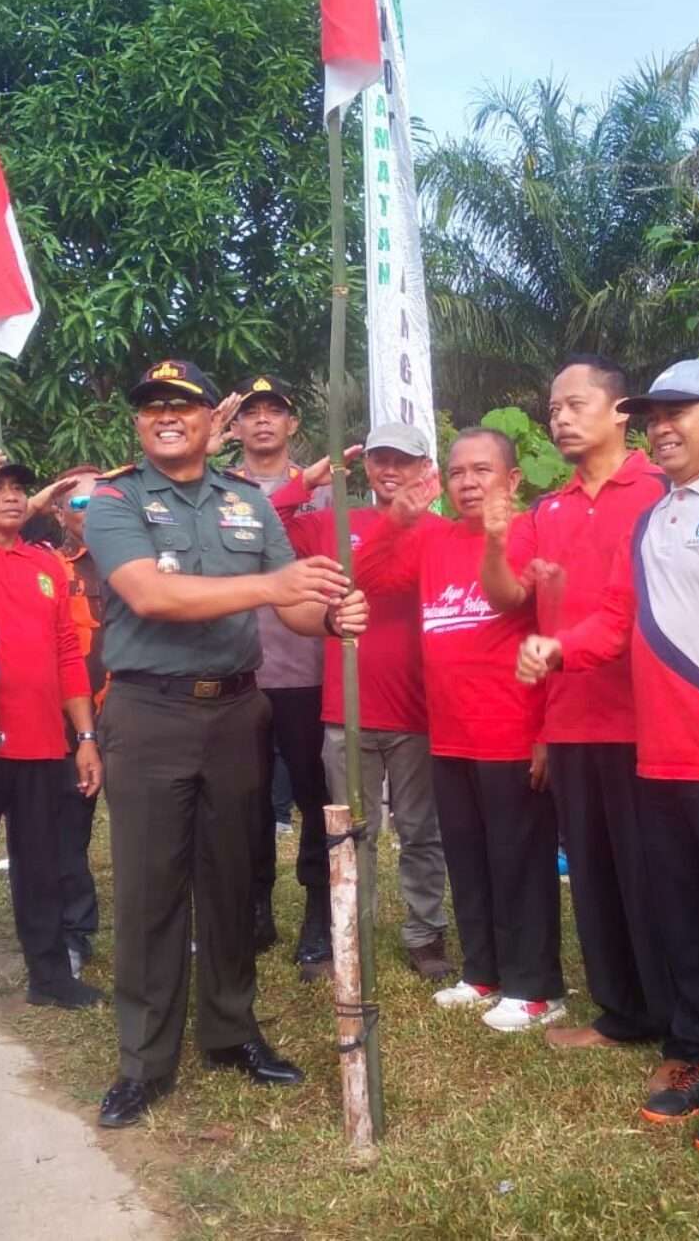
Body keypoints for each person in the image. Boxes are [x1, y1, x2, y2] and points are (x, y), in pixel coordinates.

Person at [520, 359, 699, 1151]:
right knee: (683, 919)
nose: (662, 427)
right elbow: (617, 620)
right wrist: (559, 649)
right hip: (660, 757)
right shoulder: (659, 514)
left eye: (681, 411)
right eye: (653, 414)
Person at [84, 359, 368, 1129]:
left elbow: (295, 605)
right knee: (150, 887)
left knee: (233, 877)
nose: (166, 416)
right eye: (151, 407)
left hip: (238, 714)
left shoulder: (247, 501)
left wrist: (332, 613)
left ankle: (231, 1031)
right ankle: (144, 1060)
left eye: (182, 405)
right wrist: (277, 591)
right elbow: (150, 593)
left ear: (215, 419)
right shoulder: (113, 500)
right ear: (138, 424)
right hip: (150, 713)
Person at [479, 355, 675, 1052]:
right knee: (591, 873)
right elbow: (508, 596)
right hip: (571, 714)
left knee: (653, 873)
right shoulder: (549, 508)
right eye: (553, 407)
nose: (559, 417)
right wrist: (498, 541)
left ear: (622, 411)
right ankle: (621, 1013)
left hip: (651, 716)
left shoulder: (662, 489)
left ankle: (678, 1015)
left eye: (575, 403)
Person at [355, 427, 562, 1032]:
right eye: (457, 473)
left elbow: (551, 629)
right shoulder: (436, 540)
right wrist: (396, 518)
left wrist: (545, 731)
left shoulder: (531, 534)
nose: (468, 483)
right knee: (468, 858)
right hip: (447, 731)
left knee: (518, 860)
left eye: (482, 471)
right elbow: (367, 576)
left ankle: (537, 986)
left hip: (510, 729)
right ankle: (483, 973)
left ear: (512, 480)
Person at [268, 421, 453, 981]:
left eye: (404, 460)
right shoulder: (333, 523)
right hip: (345, 709)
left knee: (422, 830)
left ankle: (425, 934)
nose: (391, 470)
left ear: (426, 469)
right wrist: (306, 479)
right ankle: (350, 934)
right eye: (380, 459)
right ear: (365, 467)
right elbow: (266, 528)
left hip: (418, 710)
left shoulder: (440, 531)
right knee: (352, 833)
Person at [0, 461, 105, 1028]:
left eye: (17, 488)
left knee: (42, 864)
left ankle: (50, 974)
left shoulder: (45, 564)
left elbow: (66, 653)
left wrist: (82, 737)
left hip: (40, 742)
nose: (10, 497)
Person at [229, 374, 337, 978]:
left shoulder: (325, 495)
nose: (263, 420)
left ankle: (318, 920)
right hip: (239, 670)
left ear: (293, 424)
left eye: (275, 411)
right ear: (237, 427)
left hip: (306, 671)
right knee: (243, 803)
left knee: (314, 801)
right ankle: (255, 909)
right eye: (252, 412)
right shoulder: (218, 490)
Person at [38, 463, 112, 972]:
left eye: (102, 498)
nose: (94, 511)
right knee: (68, 830)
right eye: (80, 503)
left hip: (138, 710)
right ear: (59, 514)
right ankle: (73, 931)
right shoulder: (48, 567)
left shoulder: (143, 556)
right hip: (73, 717)